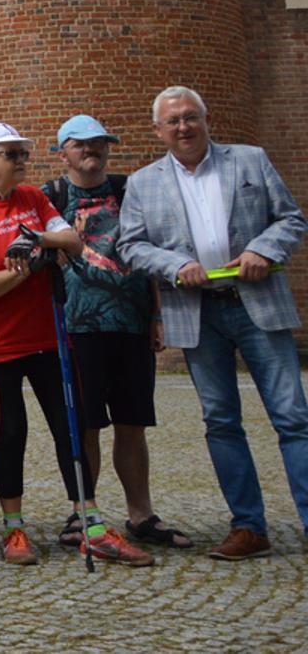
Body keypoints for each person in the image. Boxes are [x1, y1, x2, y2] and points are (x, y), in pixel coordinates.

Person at [0, 121, 152, 566]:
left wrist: (36, 241)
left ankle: (90, 523)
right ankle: (14, 528)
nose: (22, 161)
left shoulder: (33, 199)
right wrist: (22, 270)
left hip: (48, 333)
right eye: (11, 154)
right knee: (12, 429)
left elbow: (73, 240)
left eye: (23, 153)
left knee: (69, 426)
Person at [119, 86, 308, 561]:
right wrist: (173, 265)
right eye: (173, 121)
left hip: (255, 302)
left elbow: (291, 219)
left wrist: (264, 249)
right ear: (158, 130)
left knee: (293, 418)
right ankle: (249, 527)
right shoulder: (144, 183)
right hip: (196, 311)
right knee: (221, 422)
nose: (183, 127)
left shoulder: (250, 160)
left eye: (191, 118)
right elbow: (131, 246)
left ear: (207, 120)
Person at [44, 114, 192, 550]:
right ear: (63, 152)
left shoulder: (130, 192)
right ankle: (84, 511)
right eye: (81, 144)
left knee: (132, 423)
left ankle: (140, 514)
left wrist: (157, 316)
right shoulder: (51, 197)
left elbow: (151, 254)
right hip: (78, 326)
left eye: (99, 143)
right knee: (85, 425)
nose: (92, 150)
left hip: (130, 323)